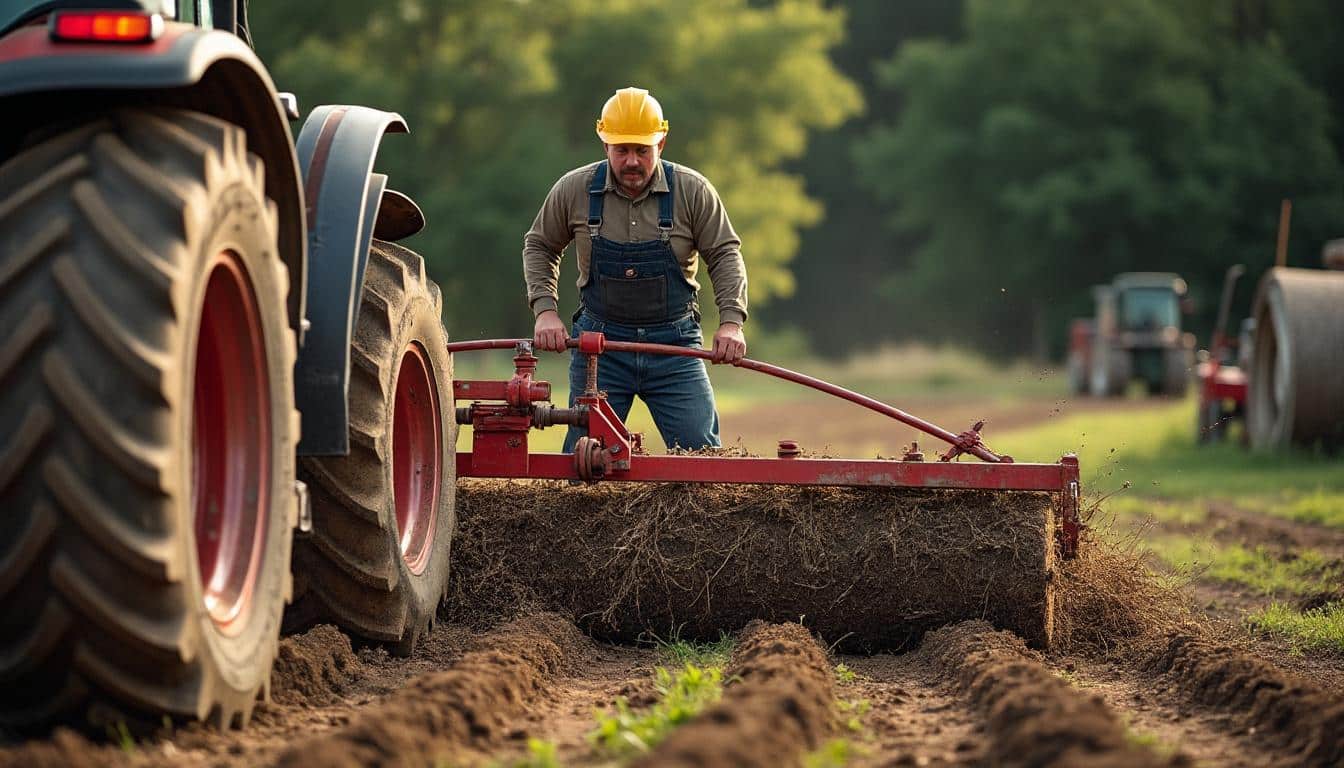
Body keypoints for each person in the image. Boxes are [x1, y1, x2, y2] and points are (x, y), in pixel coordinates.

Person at [523, 86, 748, 452]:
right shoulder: (574, 189)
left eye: (641, 151)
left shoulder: (693, 191)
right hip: (601, 350)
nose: (631, 161)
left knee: (704, 461)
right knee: (582, 461)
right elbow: (539, 245)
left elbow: (724, 254)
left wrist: (731, 322)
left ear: (661, 143)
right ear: (604, 145)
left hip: (675, 349)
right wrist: (545, 311)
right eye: (621, 150)